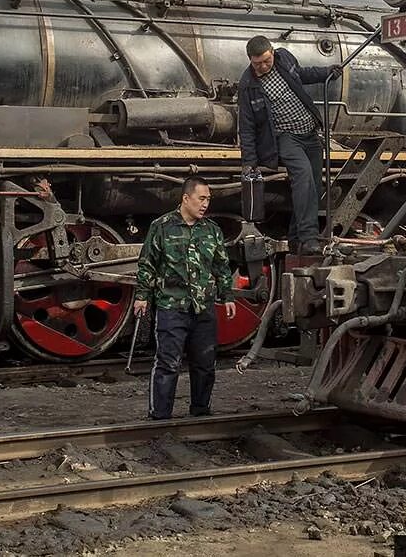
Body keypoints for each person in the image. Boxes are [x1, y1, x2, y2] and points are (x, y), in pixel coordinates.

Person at [133, 176, 236, 420]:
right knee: (168, 363)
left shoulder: (212, 230)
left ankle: (201, 413)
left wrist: (228, 296)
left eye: (208, 199)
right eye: (201, 199)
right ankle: (159, 415)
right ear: (185, 198)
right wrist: (142, 296)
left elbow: (222, 266)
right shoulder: (162, 226)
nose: (205, 204)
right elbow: (148, 263)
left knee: (205, 364)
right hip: (171, 305)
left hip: (204, 309)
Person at [237, 35, 342, 252]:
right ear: (250, 60)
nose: (264, 66)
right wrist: (249, 161)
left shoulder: (284, 58)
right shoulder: (247, 85)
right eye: (258, 63)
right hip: (285, 137)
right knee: (302, 177)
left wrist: (327, 72)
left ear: (273, 53)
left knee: (313, 185)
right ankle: (309, 237)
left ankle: (295, 239)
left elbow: (303, 74)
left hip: (310, 133)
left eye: (266, 61)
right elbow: (246, 126)